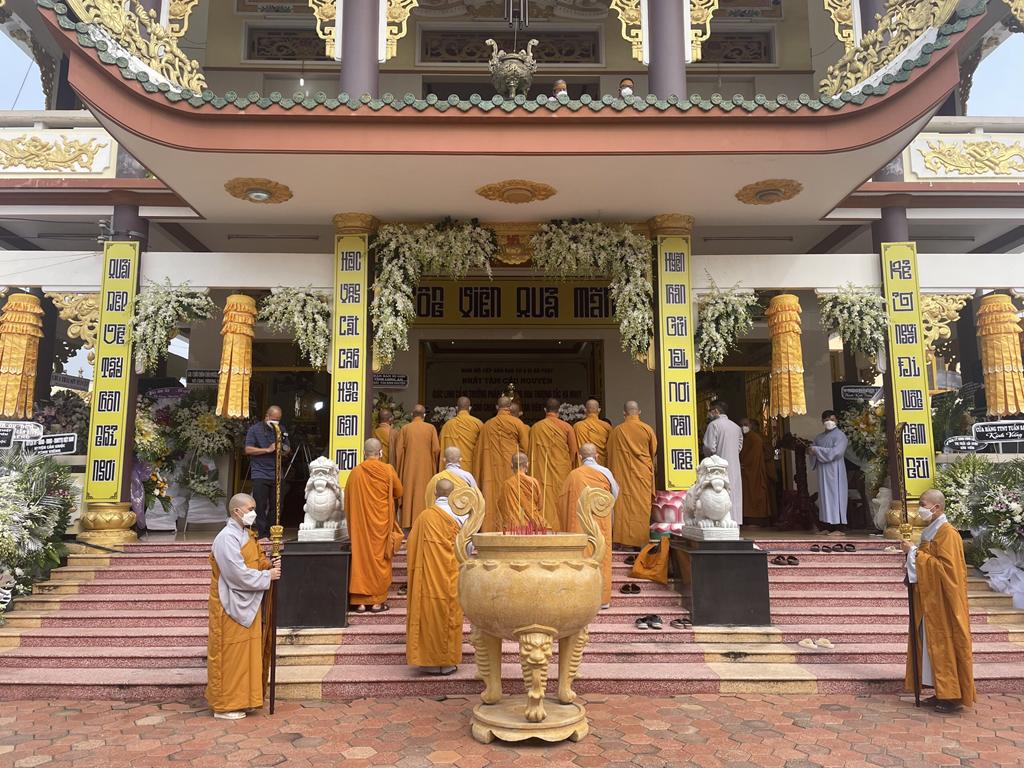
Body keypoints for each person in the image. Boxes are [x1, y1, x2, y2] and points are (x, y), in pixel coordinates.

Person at [205, 493, 281, 720]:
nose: (254, 513)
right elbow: (236, 574)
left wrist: (269, 564)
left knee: (247, 655)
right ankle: (225, 705)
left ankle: (245, 700)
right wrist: (267, 576)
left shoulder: (246, 535)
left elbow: (255, 561)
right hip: (230, 604)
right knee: (231, 655)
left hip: (249, 603)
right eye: (250, 509)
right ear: (236, 511)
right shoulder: (226, 538)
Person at [901, 489, 976, 713]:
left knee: (945, 644)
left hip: (945, 602)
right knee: (930, 645)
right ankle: (940, 690)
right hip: (931, 599)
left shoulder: (948, 534)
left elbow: (947, 571)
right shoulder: (932, 531)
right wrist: (914, 556)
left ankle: (952, 695)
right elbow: (930, 563)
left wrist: (914, 553)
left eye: (923, 504)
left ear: (937, 507)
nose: (920, 509)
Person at [406, 479, 467, 677]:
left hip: (429, 577)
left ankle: (429, 662)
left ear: (435, 494)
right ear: (453, 495)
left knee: (429, 615)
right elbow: (467, 548)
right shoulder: (460, 517)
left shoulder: (424, 517)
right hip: (451, 575)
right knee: (449, 616)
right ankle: (447, 662)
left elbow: (411, 544)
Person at [346, 438, 404, 614]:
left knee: (361, 559)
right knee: (380, 560)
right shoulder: (387, 470)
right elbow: (399, 491)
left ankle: (360, 603)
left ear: (364, 453)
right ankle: (377, 603)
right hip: (381, 525)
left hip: (361, 526)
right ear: (380, 453)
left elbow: (348, 499)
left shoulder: (356, 472)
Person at [558, 443, 618, 607]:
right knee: (601, 556)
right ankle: (602, 599)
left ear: (580, 457)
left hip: (579, 524)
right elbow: (614, 496)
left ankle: (581, 598)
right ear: (597, 456)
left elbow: (562, 500)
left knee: (582, 556)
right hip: (601, 521)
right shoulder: (606, 473)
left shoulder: (573, 475)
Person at [473, 397, 530, 531]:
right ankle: (513, 528)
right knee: (512, 498)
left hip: (491, 471)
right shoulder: (517, 423)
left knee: (492, 497)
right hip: (512, 470)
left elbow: (478, 452)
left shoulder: (487, 425)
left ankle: (490, 529)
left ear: (496, 407)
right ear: (510, 407)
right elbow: (526, 448)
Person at [607, 401, 657, 550]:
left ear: (624, 413)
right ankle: (641, 542)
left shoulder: (617, 431)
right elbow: (653, 451)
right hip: (642, 476)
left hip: (622, 476)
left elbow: (610, 452)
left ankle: (624, 542)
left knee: (623, 507)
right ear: (639, 412)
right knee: (641, 507)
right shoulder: (647, 429)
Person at [528, 398, 580, 531]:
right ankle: (561, 528)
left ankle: (543, 526)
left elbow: (531, 453)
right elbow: (574, 452)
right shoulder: (567, 427)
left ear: (545, 410)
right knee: (560, 498)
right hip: (562, 472)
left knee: (543, 498)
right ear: (559, 410)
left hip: (541, 471)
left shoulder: (535, 428)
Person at [243, 405, 291, 539]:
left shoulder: (281, 429)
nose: (276, 422)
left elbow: (288, 448)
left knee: (277, 505)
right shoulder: (254, 429)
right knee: (260, 504)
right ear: (267, 416)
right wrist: (267, 450)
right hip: (260, 473)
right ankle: (262, 533)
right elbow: (248, 449)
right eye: (274, 419)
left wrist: (284, 449)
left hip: (277, 473)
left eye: (278, 420)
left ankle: (273, 532)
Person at [394, 404, 440, 528]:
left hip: (409, 469)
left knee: (409, 492)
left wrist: (400, 469)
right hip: (426, 469)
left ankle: (408, 522)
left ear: (411, 415)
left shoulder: (405, 429)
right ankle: (425, 523)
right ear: (424, 415)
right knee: (424, 492)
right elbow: (436, 449)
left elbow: (399, 452)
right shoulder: (431, 428)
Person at [702, 400, 744, 526]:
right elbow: (739, 447)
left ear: (716, 411)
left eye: (710, 411)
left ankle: (720, 523)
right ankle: (735, 522)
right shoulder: (736, 427)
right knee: (734, 493)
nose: (709, 414)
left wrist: (709, 457)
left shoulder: (714, 425)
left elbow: (709, 447)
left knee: (718, 493)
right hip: (734, 466)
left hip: (717, 466)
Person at [808, 410, 849, 534]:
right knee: (825, 497)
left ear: (836, 421)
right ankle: (827, 526)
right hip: (823, 472)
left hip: (835, 471)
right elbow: (812, 451)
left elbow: (836, 452)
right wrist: (811, 450)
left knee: (836, 496)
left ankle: (839, 527)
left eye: (832, 419)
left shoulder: (840, 436)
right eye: (826, 420)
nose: (829, 422)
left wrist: (816, 450)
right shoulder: (819, 437)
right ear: (822, 421)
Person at [497, 452, 545, 531]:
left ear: (511, 465)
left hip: (513, 527)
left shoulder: (506, 484)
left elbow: (501, 505)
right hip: (531, 526)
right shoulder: (534, 482)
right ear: (527, 465)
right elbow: (539, 506)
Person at [738, 418, 771, 524]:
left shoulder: (755, 438)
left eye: (745, 424)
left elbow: (753, 456)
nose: (743, 427)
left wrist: (743, 464)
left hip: (753, 470)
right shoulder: (745, 438)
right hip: (747, 472)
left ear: (751, 426)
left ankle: (756, 517)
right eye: (741, 425)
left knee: (755, 493)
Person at [438, 397, 484, 472]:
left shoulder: (447, 425)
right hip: (471, 467)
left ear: (456, 408)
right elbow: (483, 445)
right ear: (470, 408)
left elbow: (440, 445)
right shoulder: (478, 423)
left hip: (451, 468)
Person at [573, 399, 612, 466]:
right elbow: (611, 447)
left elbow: (573, 448)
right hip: (601, 464)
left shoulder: (577, 426)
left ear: (585, 410)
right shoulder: (606, 427)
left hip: (583, 464)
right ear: (599, 410)